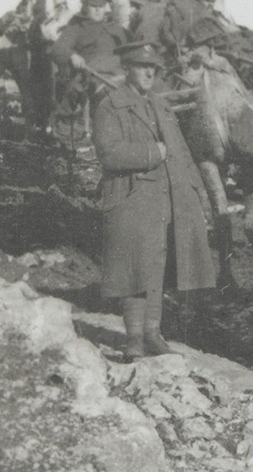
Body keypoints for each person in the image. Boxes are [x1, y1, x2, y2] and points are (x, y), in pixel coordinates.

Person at [92, 40, 215, 361]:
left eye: (154, 68)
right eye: (142, 67)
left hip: (166, 196)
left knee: (158, 264)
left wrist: (195, 191)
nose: (149, 73)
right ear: (127, 69)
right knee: (135, 265)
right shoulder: (110, 104)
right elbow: (108, 153)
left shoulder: (160, 104)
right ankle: (134, 338)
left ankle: (152, 332)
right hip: (131, 196)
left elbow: (181, 150)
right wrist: (151, 154)